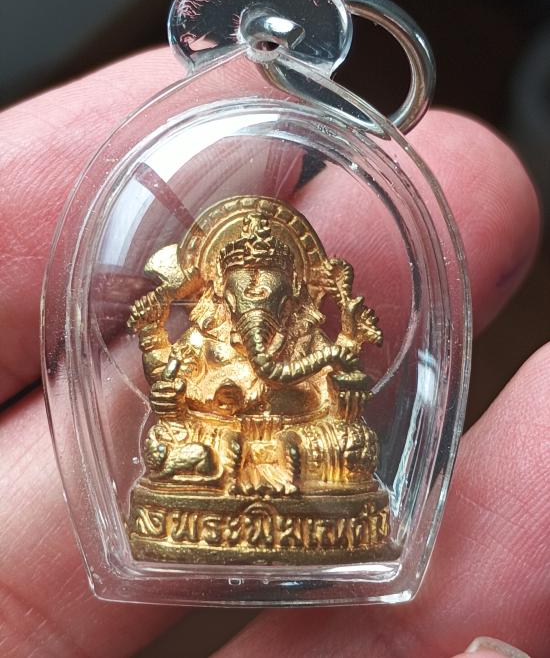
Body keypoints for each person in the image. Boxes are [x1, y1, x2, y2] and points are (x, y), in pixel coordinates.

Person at [0, 46, 546, 658]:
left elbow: (341, 397)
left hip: (302, 446)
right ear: (218, 283)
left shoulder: (305, 333)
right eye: (243, 274)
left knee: (345, 445)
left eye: (270, 274)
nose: (257, 286)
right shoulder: (206, 333)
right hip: (215, 445)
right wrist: (157, 345)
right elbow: (173, 394)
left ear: (297, 283)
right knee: (172, 446)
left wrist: (341, 359)